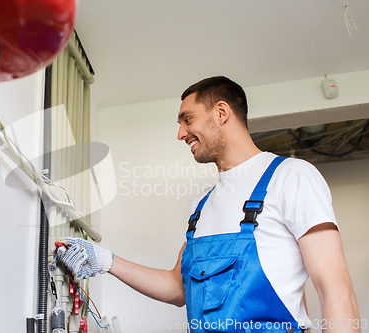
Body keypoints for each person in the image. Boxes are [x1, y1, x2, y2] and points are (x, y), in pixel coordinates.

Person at [56, 76, 360, 332]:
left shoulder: (291, 177)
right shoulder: (201, 205)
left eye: (187, 119)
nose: (180, 134)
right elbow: (177, 288)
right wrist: (107, 260)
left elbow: (336, 289)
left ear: (222, 112)